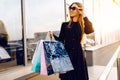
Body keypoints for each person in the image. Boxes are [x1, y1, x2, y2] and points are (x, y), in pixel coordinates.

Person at [49, 2, 94, 80]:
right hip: (67, 55)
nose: (71, 10)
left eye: (73, 8)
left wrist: (84, 15)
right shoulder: (64, 25)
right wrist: (53, 36)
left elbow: (90, 30)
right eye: (70, 8)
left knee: (79, 77)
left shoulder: (82, 25)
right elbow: (61, 40)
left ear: (79, 10)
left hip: (78, 56)